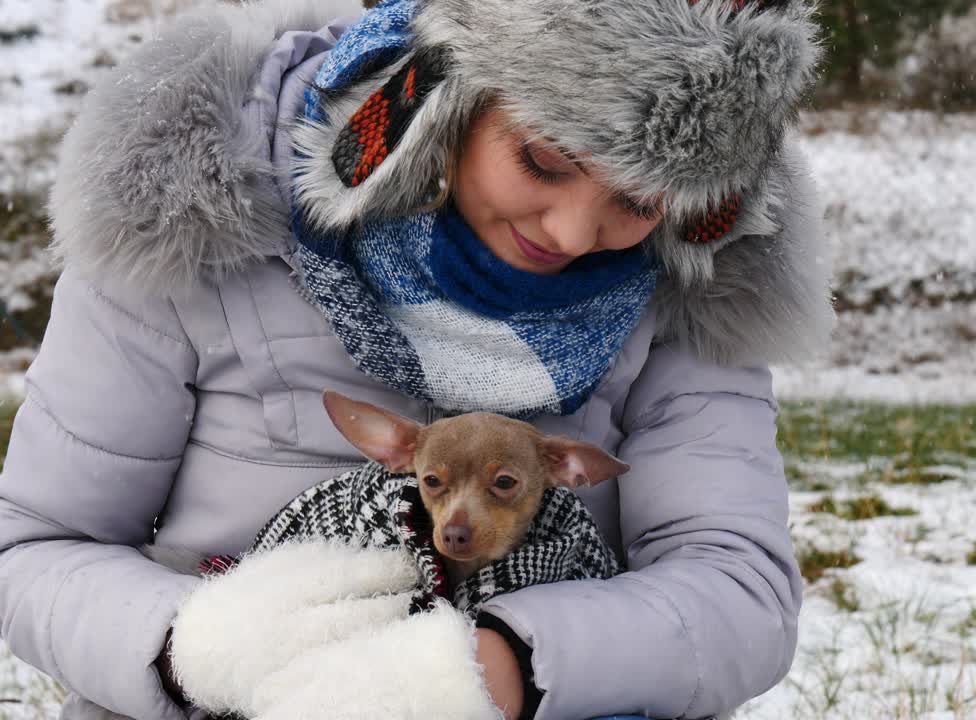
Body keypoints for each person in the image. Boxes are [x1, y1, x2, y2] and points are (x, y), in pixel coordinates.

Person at [0, 0, 832, 717]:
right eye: (545, 160)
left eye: (640, 199)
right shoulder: (190, 221)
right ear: (442, 92)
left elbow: (738, 593)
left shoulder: (692, 284)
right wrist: (204, 647)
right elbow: (35, 550)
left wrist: (503, 671)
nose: (575, 233)